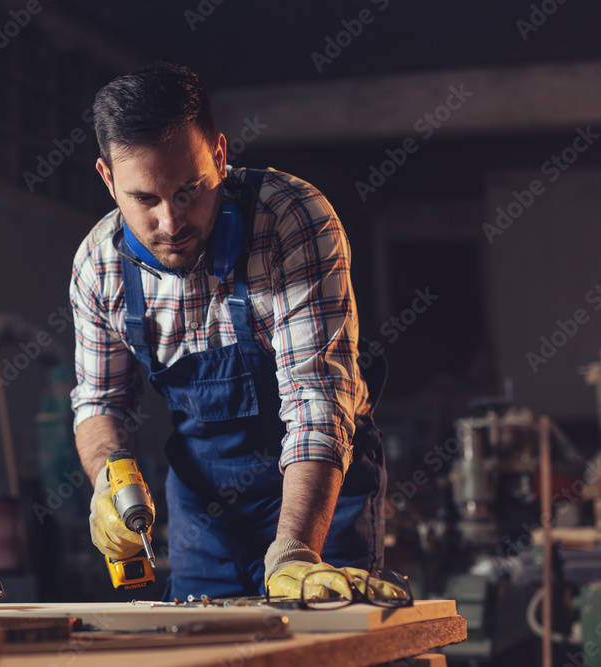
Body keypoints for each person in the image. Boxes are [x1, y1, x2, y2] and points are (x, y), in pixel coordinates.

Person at [69, 61, 386, 600]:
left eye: (190, 190)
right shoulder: (98, 266)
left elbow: (317, 399)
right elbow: (99, 402)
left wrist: (294, 551)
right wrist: (110, 477)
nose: (171, 222)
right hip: (203, 514)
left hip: (318, 498)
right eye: (145, 199)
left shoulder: (291, 220)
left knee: (326, 647)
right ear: (107, 178)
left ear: (218, 154)